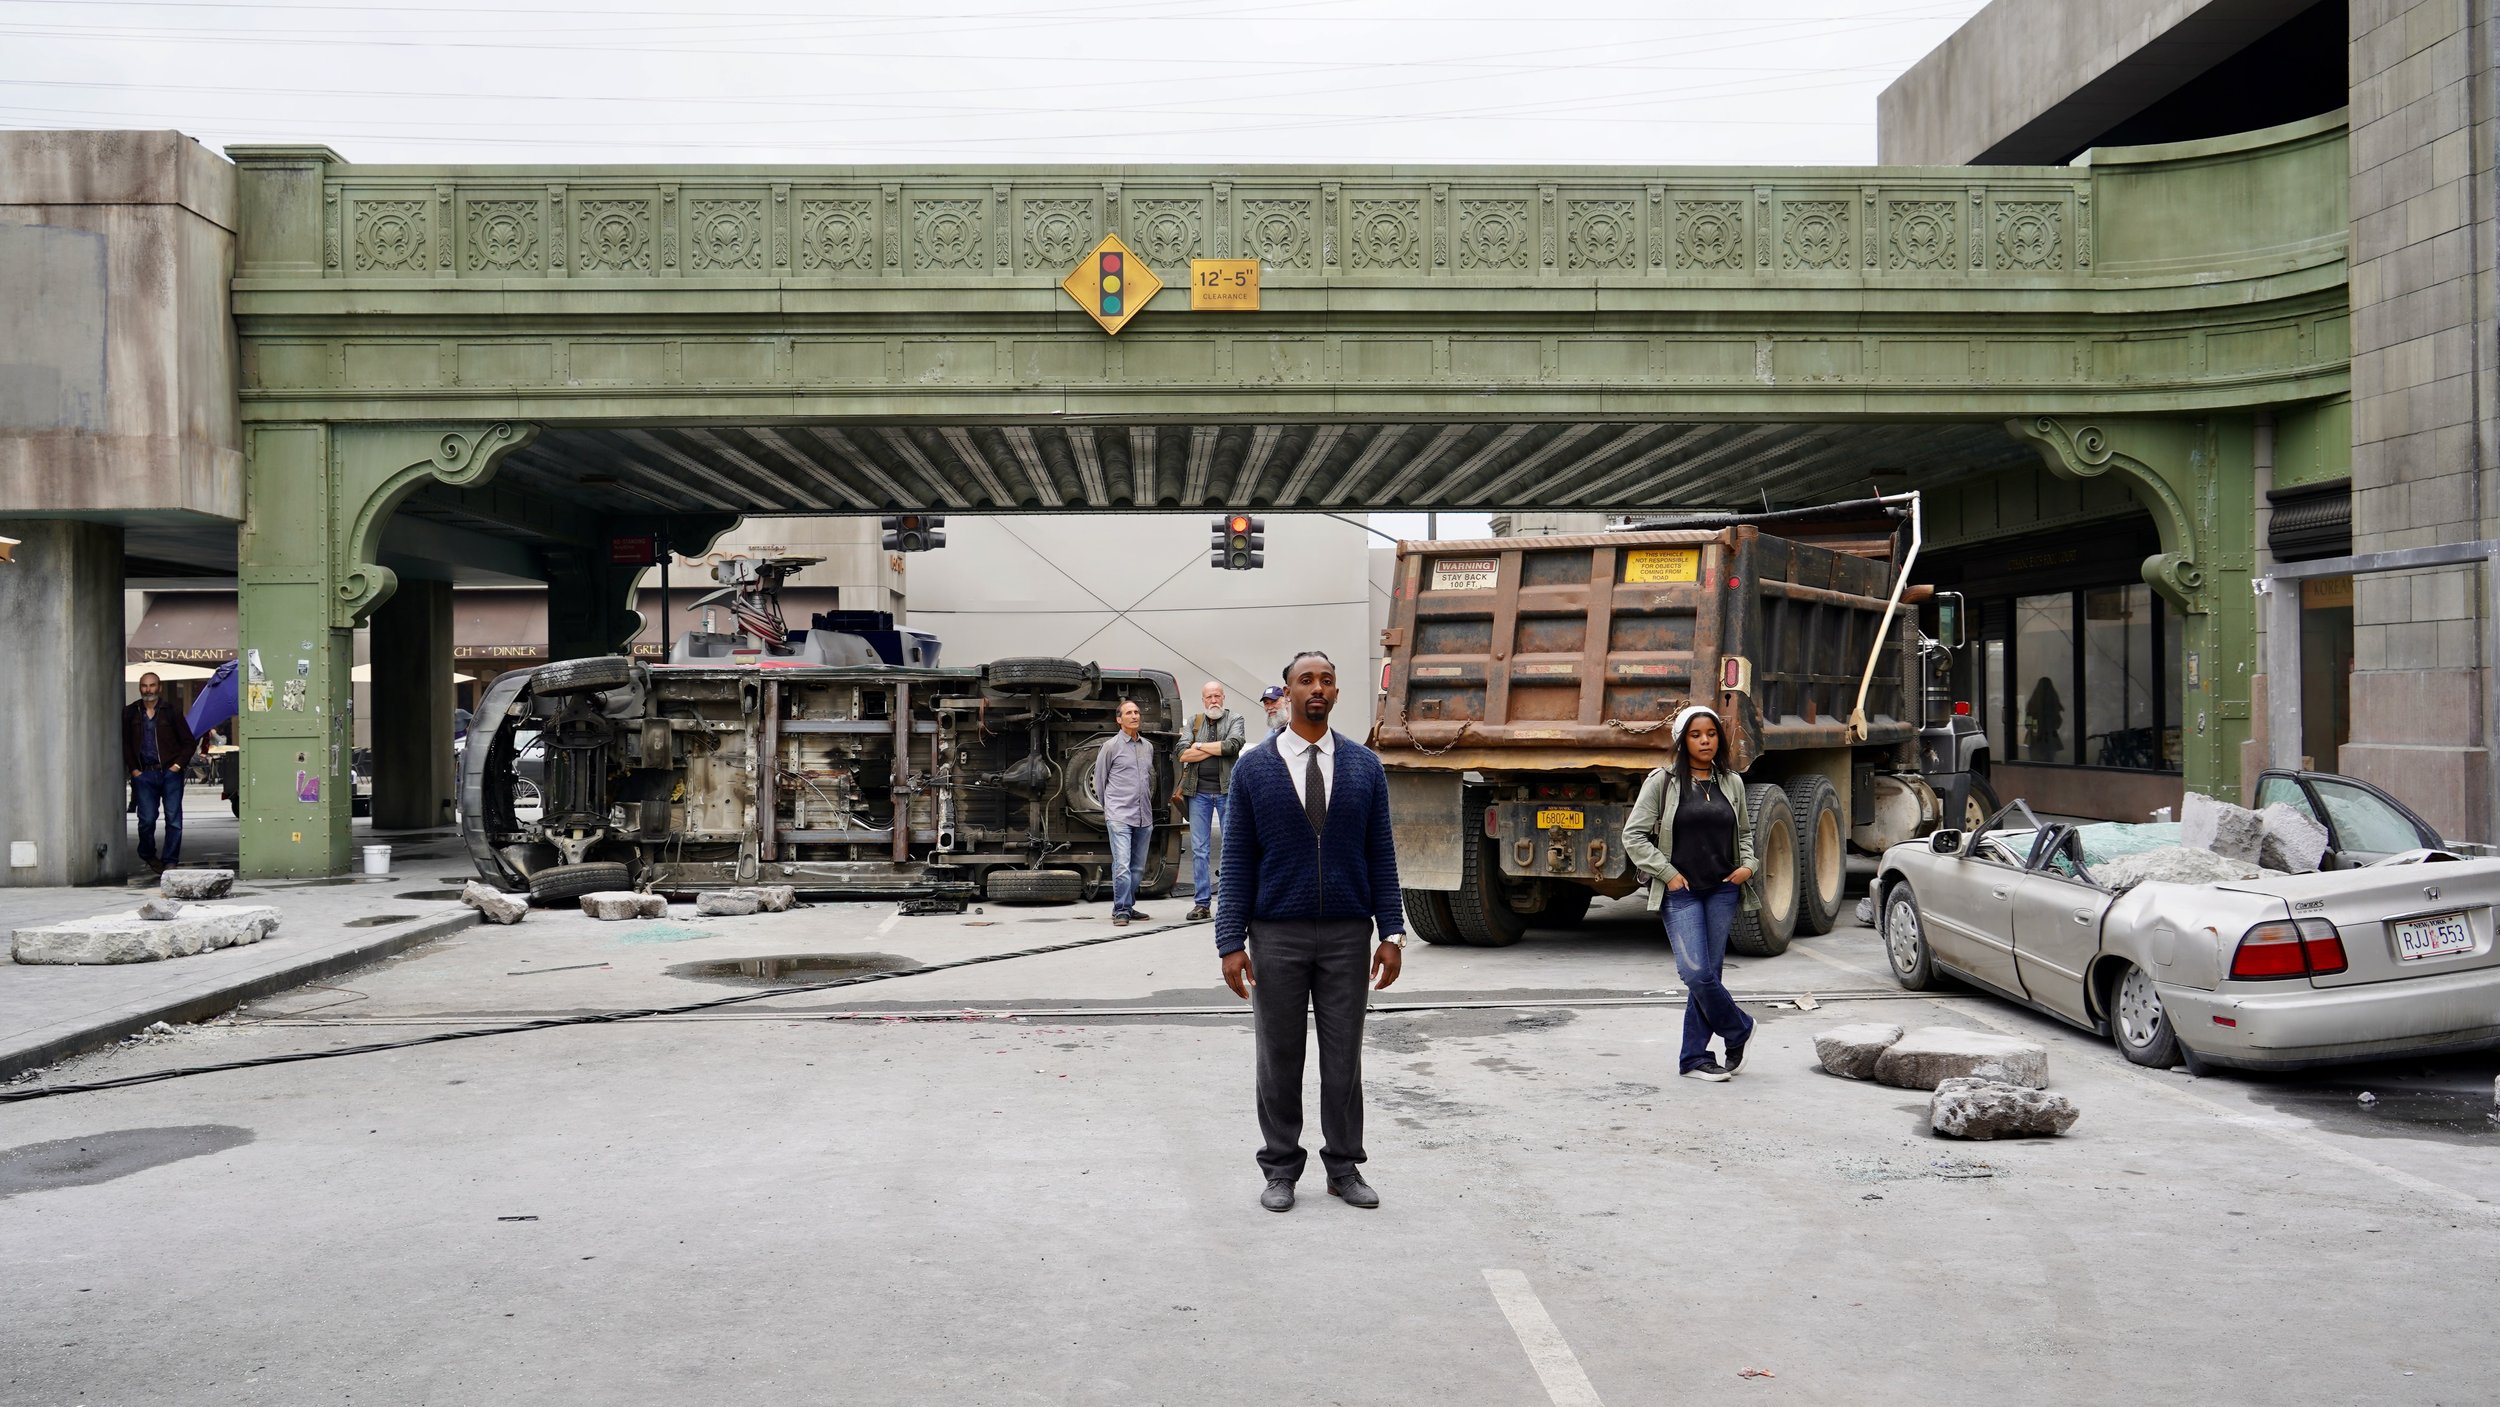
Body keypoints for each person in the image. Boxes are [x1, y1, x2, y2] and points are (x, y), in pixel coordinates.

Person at [1216, 650, 1405, 1213]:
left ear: (1337, 693)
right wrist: (1230, 941)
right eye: (1305, 680)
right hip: (1277, 934)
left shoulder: (1364, 766)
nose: (1316, 688)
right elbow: (1237, 861)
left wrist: (1391, 931)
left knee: (1343, 1059)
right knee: (1278, 1056)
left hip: (1349, 934)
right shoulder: (1255, 767)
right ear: (1288, 692)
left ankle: (1344, 1168)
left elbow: (1381, 854)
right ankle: (1279, 1169)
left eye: (1326, 680)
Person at [1622, 704, 1760, 1082]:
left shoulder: (1731, 782)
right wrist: (1666, 874)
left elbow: (1744, 834)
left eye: (1711, 734)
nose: (1705, 741)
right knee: (1696, 973)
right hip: (1680, 892)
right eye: (1696, 735)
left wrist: (1749, 866)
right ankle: (1739, 1029)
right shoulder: (1662, 782)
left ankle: (1693, 1058)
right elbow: (1633, 836)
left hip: (1722, 890)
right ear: (1682, 741)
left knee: (1709, 974)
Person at [1172, 681, 1247, 922]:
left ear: (1223, 697)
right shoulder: (1194, 721)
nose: (1213, 700)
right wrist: (1214, 749)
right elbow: (1182, 753)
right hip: (1198, 794)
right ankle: (1202, 904)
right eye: (1209, 697)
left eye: (1217, 696)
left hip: (1227, 792)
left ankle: (1229, 904)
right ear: (1203, 700)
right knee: (1200, 850)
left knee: (1231, 849)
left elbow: (1233, 745)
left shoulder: (1235, 719)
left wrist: (1200, 746)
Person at [123, 671, 199, 873]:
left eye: (152, 685)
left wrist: (177, 766)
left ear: (160, 687)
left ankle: (170, 860)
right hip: (144, 774)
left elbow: (189, 742)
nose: (148, 689)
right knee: (146, 820)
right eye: (145, 686)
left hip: (170, 773)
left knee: (173, 819)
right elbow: (125, 744)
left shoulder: (171, 711)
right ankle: (147, 853)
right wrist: (134, 769)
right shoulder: (130, 712)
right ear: (140, 688)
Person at [1092, 698, 1159, 927]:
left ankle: (1127, 905)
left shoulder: (1147, 747)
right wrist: (1110, 809)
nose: (1135, 716)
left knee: (1138, 868)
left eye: (1137, 712)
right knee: (1122, 865)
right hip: (1119, 815)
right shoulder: (1110, 747)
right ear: (1119, 720)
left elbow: (1149, 780)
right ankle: (1121, 910)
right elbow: (1100, 781)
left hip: (1144, 816)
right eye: (1129, 713)